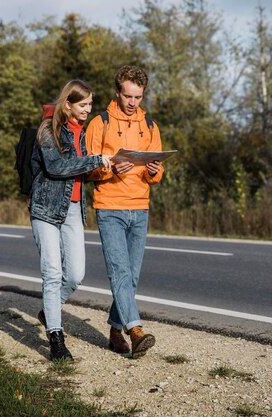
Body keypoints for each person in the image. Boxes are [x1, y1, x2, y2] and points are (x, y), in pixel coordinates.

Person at [30, 79, 112, 361]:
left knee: (76, 274)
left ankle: (48, 309)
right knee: (52, 273)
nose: (88, 109)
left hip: (74, 209)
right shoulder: (48, 129)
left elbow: (82, 171)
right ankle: (56, 337)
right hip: (45, 209)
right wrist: (93, 160)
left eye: (90, 103)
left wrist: (108, 165)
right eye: (83, 104)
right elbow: (55, 167)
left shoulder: (83, 133)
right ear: (67, 103)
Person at [86, 65, 164, 359]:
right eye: (128, 96)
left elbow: (156, 170)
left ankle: (115, 329)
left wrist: (155, 170)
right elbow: (89, 168)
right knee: (119, 271)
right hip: (110, 208)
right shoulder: (100, 123)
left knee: (130, 276)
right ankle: (135, 329)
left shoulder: (151, 125)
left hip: (140, 207)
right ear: (117, 92)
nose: (133, 103)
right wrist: (109, 169)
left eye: (138, 97)